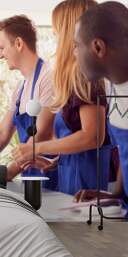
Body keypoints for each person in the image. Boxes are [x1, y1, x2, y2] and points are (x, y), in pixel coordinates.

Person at [12, 0, 112, 196]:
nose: (54, 34)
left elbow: (93, 136)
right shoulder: (74, 76)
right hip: (73, 176)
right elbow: (78, 136)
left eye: (57, 29)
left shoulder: (86, 77)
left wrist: (37, 147)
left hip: (89, 182)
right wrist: (54, 162)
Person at [0, 15, 57, 188]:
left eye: (2, 48)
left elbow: (42, 133)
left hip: (49, 176)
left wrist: (8, 172)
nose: (0, 55)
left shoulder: (48, 78)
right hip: (30, 174)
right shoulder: (21, 87)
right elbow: (2, 133)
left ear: (19, 44)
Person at [73, 1, 128, 206]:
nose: (74, 54)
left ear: (98, 47)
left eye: (77, 45)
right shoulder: (113, 85)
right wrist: (117, 195)